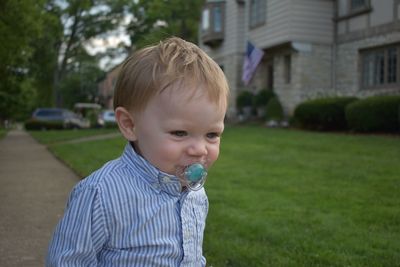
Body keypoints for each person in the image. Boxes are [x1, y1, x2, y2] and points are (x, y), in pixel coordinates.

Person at [46, 37, 229, 266]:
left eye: (212, 135)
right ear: (130, 125)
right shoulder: (101, 194)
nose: (200, 150)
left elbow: (192, 255)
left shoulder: (195, 193)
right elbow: (67, 261)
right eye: (180, 133)